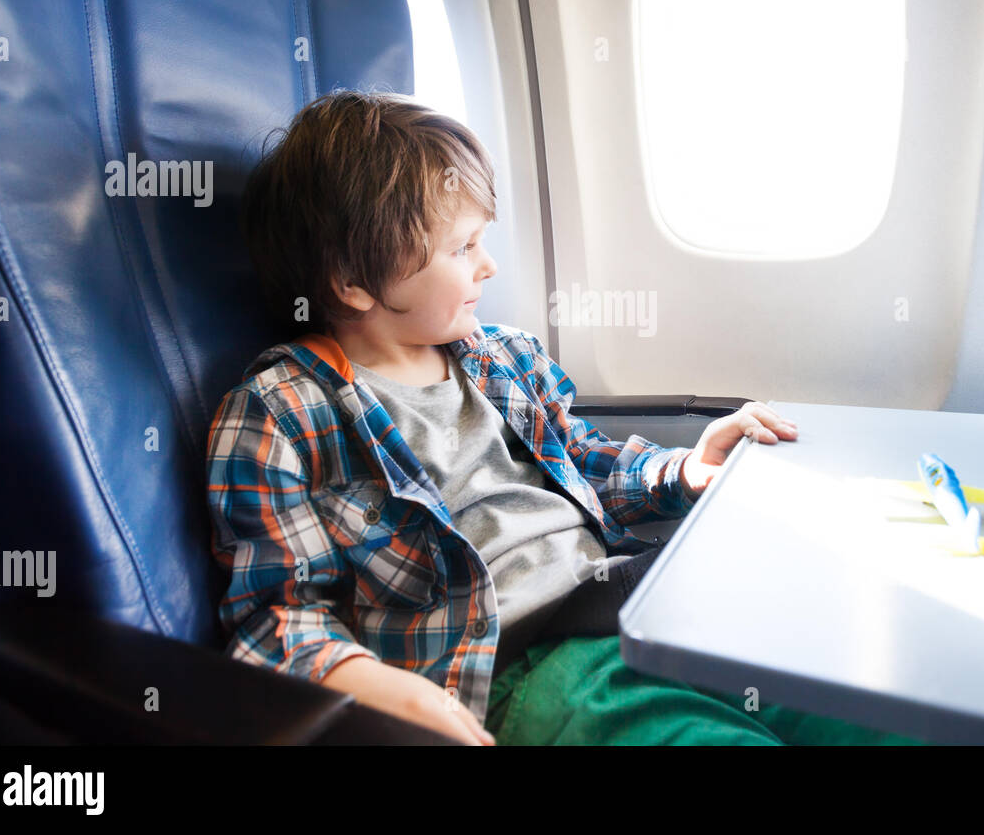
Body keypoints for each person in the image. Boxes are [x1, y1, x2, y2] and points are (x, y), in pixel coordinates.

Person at [205, 90, 926, 746]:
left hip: (630, 600)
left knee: (868, 703)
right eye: (462, 248)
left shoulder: (502, 357)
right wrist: (382, 689)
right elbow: (276, 614)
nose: (488, 267)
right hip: (523, 667)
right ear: (352, 282)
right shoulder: (281, 414)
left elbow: (583, 464)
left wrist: (683, 469)